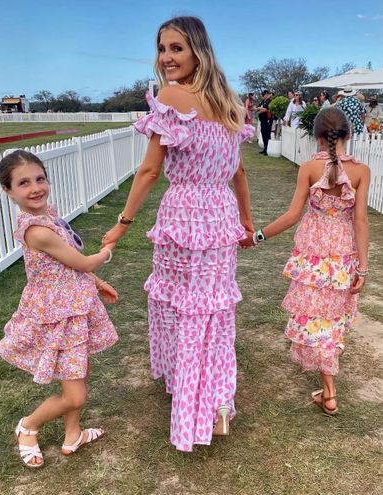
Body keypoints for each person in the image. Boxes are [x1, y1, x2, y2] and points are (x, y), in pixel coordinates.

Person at [102, 16, 255, 452]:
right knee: (212, 310)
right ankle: (219, 402)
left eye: (176, 49)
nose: (166, 58)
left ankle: (192, 401)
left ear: (197, 52)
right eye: (162, 48)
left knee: (181, 305)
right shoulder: (229, 100)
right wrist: (245, 221)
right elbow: (239, 172)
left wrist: (123, 222)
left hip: (185, 212)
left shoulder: (172, 97)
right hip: (220, 215)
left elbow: (151, 170)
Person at [242, 107, 370, 415]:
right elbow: (361, 221)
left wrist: (256, 236)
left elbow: (291, 216)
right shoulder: (361, 171)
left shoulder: (309, 168)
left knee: (316, 319)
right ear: (348, 135)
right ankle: (328, 390)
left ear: (315, 136)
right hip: (343, 255)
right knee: (331, 319)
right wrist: (363, 268)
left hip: (313, 256)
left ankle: (329, 392)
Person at [0, 150, 119, 468]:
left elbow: (71, 267)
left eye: (39, 178)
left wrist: (96, 282)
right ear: (8, 191)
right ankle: (28, 426)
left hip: (73, 306)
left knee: (78, 373)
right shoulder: (37, 231)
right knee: (75, 394)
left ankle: (73, 434)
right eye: (23, 183)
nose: (35, 187)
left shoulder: (48, 216)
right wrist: (107, 251)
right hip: (56, 315)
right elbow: (83, 260)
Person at [256, 89, 273, 155]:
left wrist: (260, 109)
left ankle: (267, 149)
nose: (262, 96)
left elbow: (265, 109)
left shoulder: (269, 101)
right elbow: (256, 108)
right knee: (263, 134)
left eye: (263, 95)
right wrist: (260, 109)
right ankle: (265, 148)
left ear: (267, 94)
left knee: (267, 134)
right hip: (262, 120)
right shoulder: (263, 102)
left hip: (267, 120)